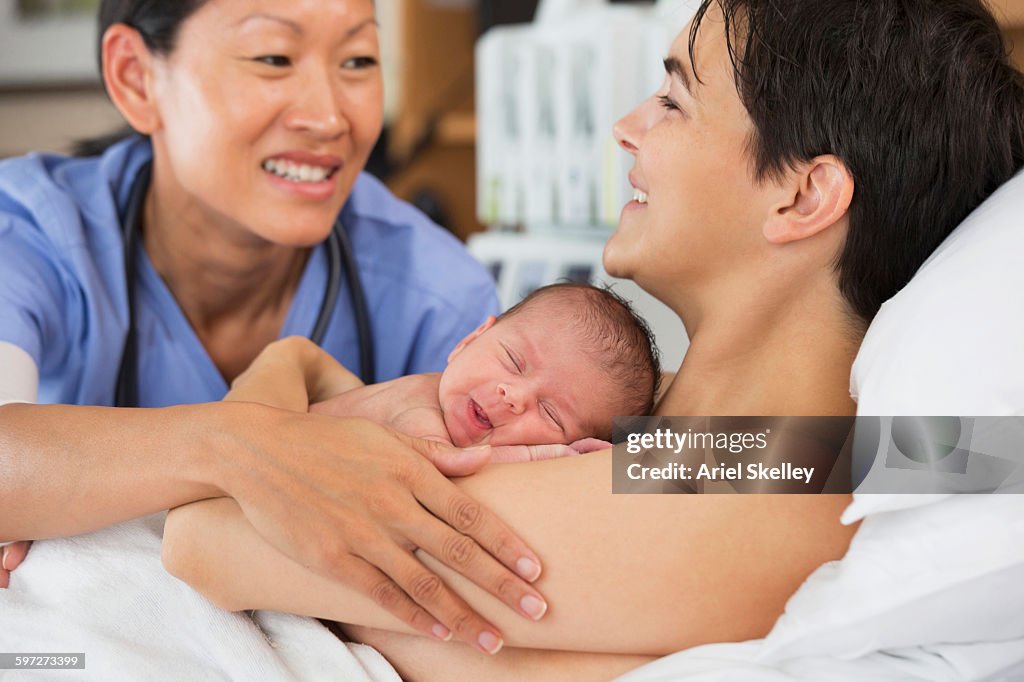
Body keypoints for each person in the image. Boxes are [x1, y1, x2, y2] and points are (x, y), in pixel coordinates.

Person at [161, 0, 1024, 677]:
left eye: (675, 100)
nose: (627, 127)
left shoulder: (760, 466)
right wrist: (294, 368)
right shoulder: (692, 424)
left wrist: (284, 385)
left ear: (801, 198)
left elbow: (202, 537)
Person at [0, 0, 557, 652]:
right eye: (273, 58)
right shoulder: (31, 231)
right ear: (136, 77)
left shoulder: (431, 289)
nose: (328, 117)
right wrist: (241, 449)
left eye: (358, 60)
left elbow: (527, 522)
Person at [264, 283, 660, 453]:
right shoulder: (419, 409)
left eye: (551, 414)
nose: (514, 395)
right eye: (513, 361)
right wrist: (545, 458)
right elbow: (445, 468)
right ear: (469, 339)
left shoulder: (711, 447)